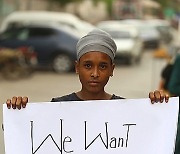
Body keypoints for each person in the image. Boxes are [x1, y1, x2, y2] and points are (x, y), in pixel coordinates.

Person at [6, 29, 169, 109]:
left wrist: (158, 107)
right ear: (77, 67)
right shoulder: (59, 106)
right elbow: (28, 136)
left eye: (103, 66)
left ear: (112, 69)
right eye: (88, 65)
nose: (95, 74)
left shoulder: (123, 109)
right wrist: (18, 112)